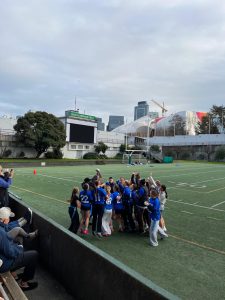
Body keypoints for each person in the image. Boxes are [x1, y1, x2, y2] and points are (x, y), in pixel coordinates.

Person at [0, 208, 38, 291]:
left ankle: (14, 275)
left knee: (18, 238)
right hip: (3, 264)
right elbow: (10, 253)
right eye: (8, 218)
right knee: (34, 255)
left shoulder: (2, 228)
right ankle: (24, 283)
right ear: (4, 220)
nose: (9, 219)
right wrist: (19, 248)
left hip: (2, 259)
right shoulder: (1, 233)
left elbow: (9, 229)